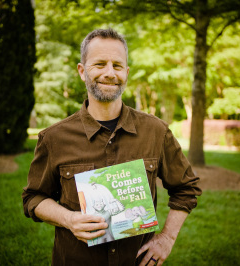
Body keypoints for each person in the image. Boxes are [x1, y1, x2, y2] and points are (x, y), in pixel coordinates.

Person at [22, 28, 202, 266]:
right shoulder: (54, 138)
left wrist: (167, 238)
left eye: (117, 65)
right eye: (99, 64)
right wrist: (68, 219)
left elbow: (187, 188)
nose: (109, 73)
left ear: (126, 73)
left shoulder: (156, 132)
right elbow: (33, 197)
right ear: (82, 71)